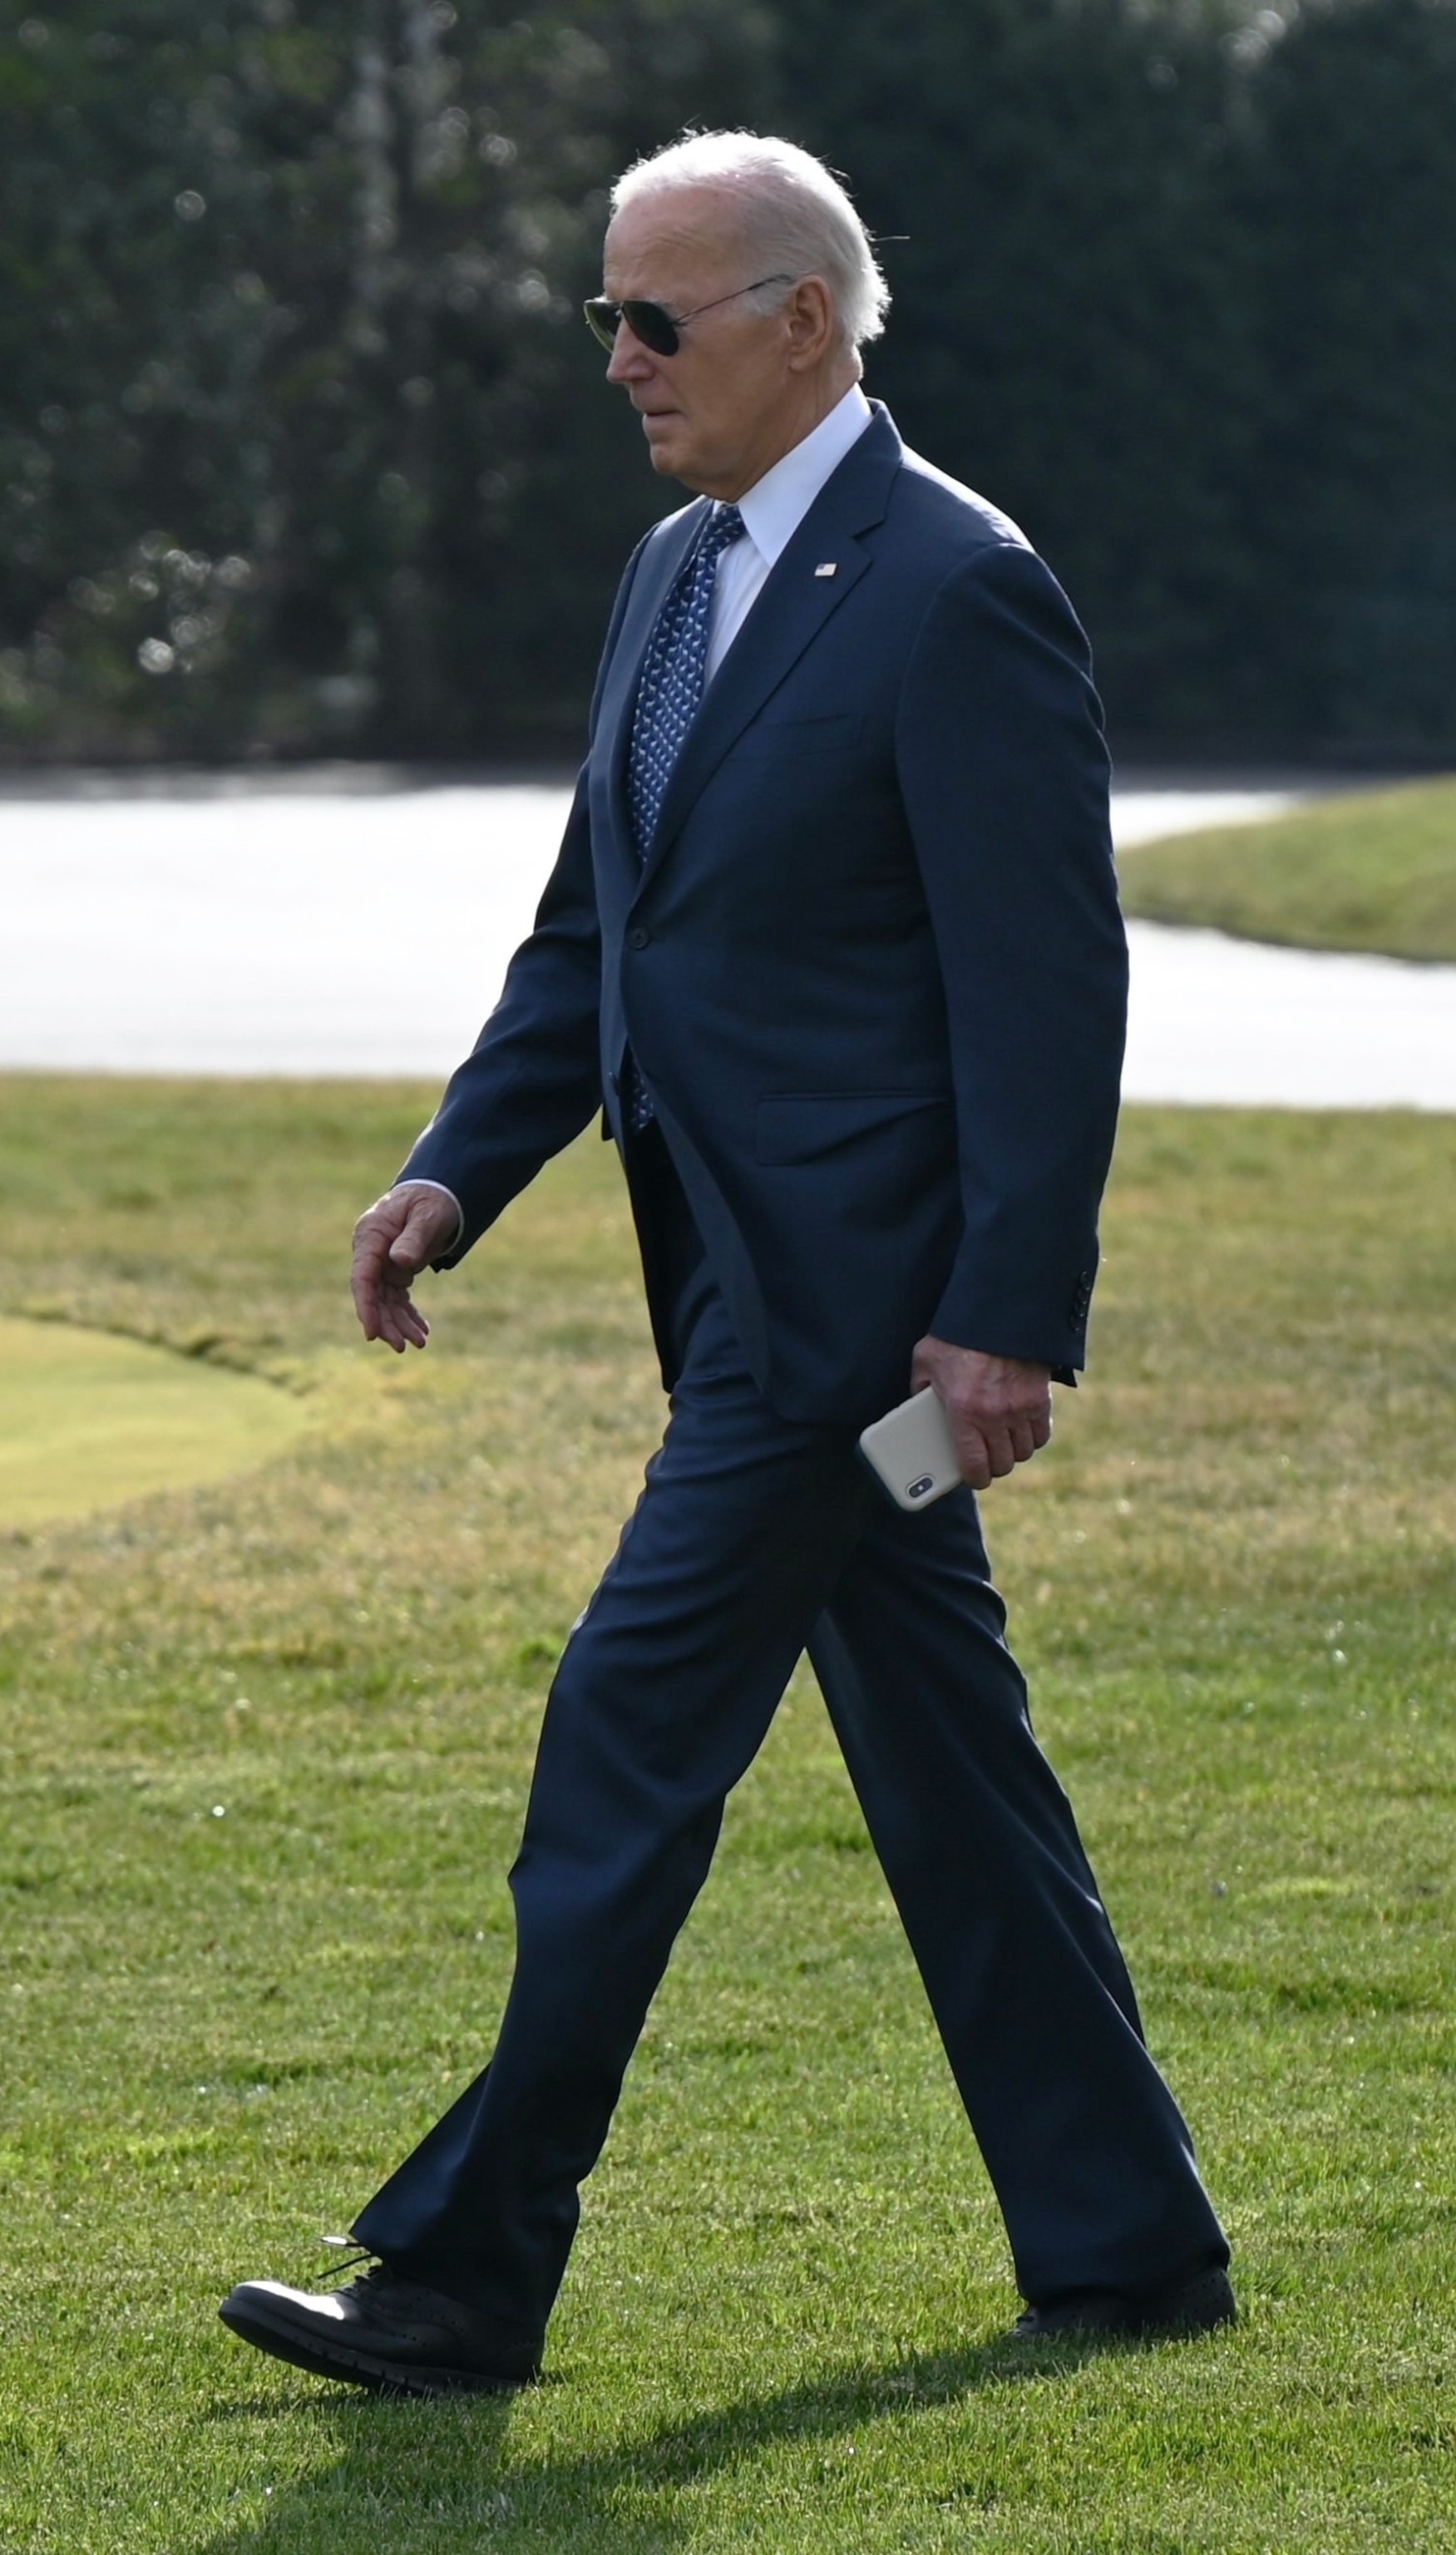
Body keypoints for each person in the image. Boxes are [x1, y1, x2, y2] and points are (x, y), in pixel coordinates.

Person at [220, 129, 1231, 2398]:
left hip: (850, 1331)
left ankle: (471, 2273)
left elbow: (1046, 993)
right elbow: (605, 935)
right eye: (606, 315)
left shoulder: (961, 587)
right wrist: (460, 1172)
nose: (620, 362)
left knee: (619, 1749)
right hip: (742, 1314)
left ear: (806, 319)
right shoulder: (671, 579)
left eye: (655, 318)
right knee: (958, 1775)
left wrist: (1009, 1313)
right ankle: (1133, 2242)